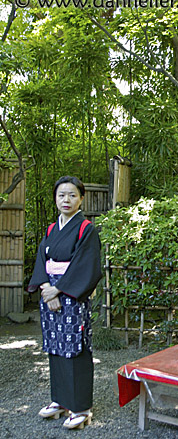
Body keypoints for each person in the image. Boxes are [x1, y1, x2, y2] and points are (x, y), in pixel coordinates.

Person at [27, 176, 102, 430]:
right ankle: (59, 400)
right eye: (61, 195)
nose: (66, 200)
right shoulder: (50, 230)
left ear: (81, 198)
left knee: (75, 348)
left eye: (72, 195)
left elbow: (87, 266)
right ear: (55, 198)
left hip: (72, 297)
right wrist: (47, 288)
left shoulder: (86, 229)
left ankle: (80, 407)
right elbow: (42, 261)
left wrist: (59, 289)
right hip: (51, 295)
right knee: (54, 346)